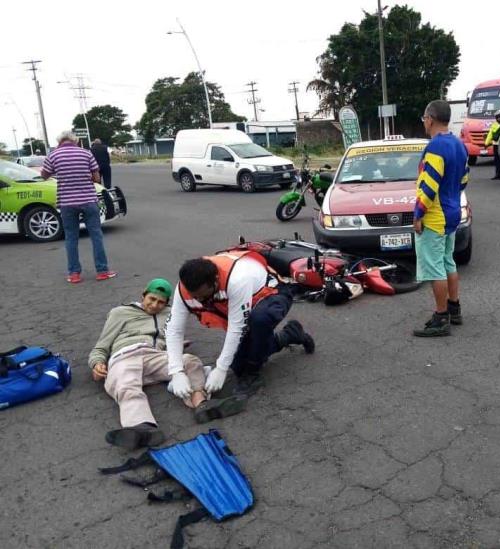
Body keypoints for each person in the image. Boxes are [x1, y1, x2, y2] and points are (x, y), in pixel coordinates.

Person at [89, 279, 236, 450]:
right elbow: (101, 345)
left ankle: (201, 404)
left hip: (155, 355)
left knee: (191, 361)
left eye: (160, 302)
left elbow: (172, 336)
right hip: (125, 355)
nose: (154, 305)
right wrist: (97, 363)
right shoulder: (120, 312)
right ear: (143, 295)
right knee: (125, 384)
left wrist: (176, 345)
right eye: (151, 299)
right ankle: (141, 427)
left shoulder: (169, 314)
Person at [166, 249, 315, 404]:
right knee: (238, 366)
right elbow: (174, 329)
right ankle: (290, 335)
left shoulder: (237, 280)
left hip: (273, 293)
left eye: (203, 295)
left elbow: (237, 328)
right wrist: (176, 371)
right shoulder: (185, 289)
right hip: (247, 304)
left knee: (259, 321)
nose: (200, 300)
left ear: (215, 280)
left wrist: (221, 368)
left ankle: (253, 374)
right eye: (195, 297)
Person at [413, 100, 469, 337]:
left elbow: (429, 183)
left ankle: (440, 317)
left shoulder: (435, 147)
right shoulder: (459, 144)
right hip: (453, 212)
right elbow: (464, 179)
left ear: (431, 118)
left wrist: (418, 213)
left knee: (435, 267)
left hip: (436, 216)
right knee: (448, 262)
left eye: (424, 118)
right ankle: (454, 308)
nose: (424, 122)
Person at [41, 131, 116, 283]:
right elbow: (96, 178)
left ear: (60, 141)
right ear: (75, 141)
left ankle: (74, 274)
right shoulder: (86, 154)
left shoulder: (53, 155)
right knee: (96, 235)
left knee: (71, 237)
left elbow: (44, 175)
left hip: (67, 203)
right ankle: (102, 271)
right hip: (88, 200)